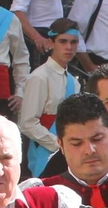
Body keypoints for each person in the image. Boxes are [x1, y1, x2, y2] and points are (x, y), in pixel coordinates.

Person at [19, 18, 82, 176]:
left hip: (67, 152)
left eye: (73, 42)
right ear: (51, 43)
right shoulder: (39, 77)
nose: (69, 47)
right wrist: (58, 145)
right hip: (42, 151)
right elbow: (27, 123)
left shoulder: (74, 83)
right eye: (63, 41)